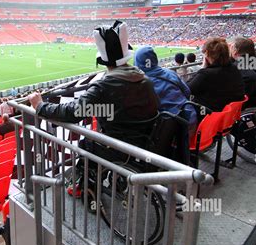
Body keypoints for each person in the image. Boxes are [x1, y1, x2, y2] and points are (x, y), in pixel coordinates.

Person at [28, 20, 159, 197]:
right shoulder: (146, 81)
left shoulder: (105, 86)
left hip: (120, 148)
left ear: (103, 60)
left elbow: (73, 112)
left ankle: (85, 188)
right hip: (145, 144)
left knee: (86, 144)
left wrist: (41, 106)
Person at [134, 45, 197, 135]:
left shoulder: (142, 83)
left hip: (173, 132)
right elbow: (187, 92)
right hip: (191, 120)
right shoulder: (170, 73)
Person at [187, 37, 245, 115]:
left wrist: (203, 68)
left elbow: (186, 89)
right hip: (229, 116)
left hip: (208, 115)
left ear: (207, 53)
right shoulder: (234, 68)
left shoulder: (206, 74)